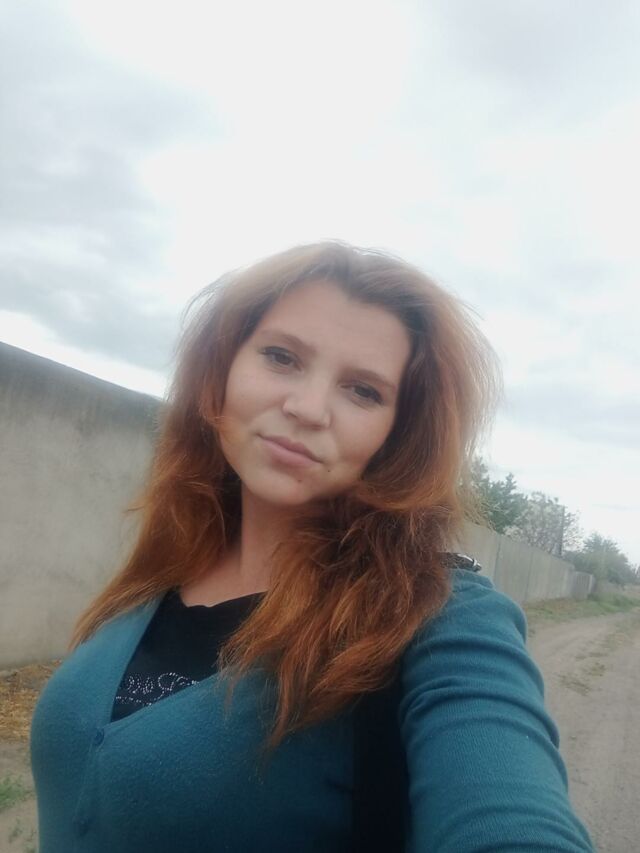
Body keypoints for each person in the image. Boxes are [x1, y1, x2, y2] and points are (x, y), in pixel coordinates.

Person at [30, 240, 594, 852]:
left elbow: (509, 816)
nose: (307, 409)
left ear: (400, 432)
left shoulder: (436, 616)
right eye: (281, 357)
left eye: (364, 391)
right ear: (221, 369)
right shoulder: (169, 564)